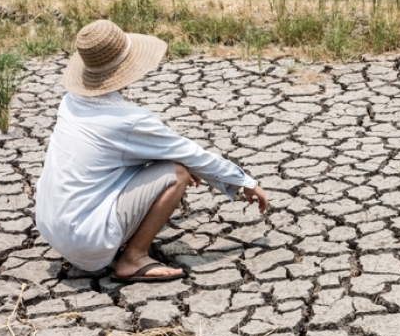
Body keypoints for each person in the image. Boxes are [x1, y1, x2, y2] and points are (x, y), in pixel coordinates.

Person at [35, 19, 268, 283]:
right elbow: (191, 155)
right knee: (178, 172)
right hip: (87, 240)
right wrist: (245, 181)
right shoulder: (128, 120)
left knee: (170, 163)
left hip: (52, 227)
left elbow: (112, 155)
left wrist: (163, 158)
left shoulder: (71, 101)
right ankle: (133, 258)